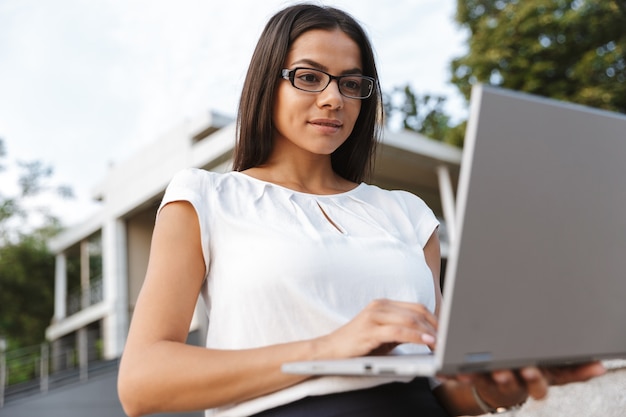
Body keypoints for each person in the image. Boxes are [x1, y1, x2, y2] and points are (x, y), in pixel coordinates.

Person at [117, 4, 605, 417]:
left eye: (352, 84)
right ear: (269, 83)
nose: (333, 99)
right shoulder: (205, 198)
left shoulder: (408, 215)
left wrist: (490, 387)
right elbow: (141, 382)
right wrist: (326, 350)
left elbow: (441, 389)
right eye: (309, 77)